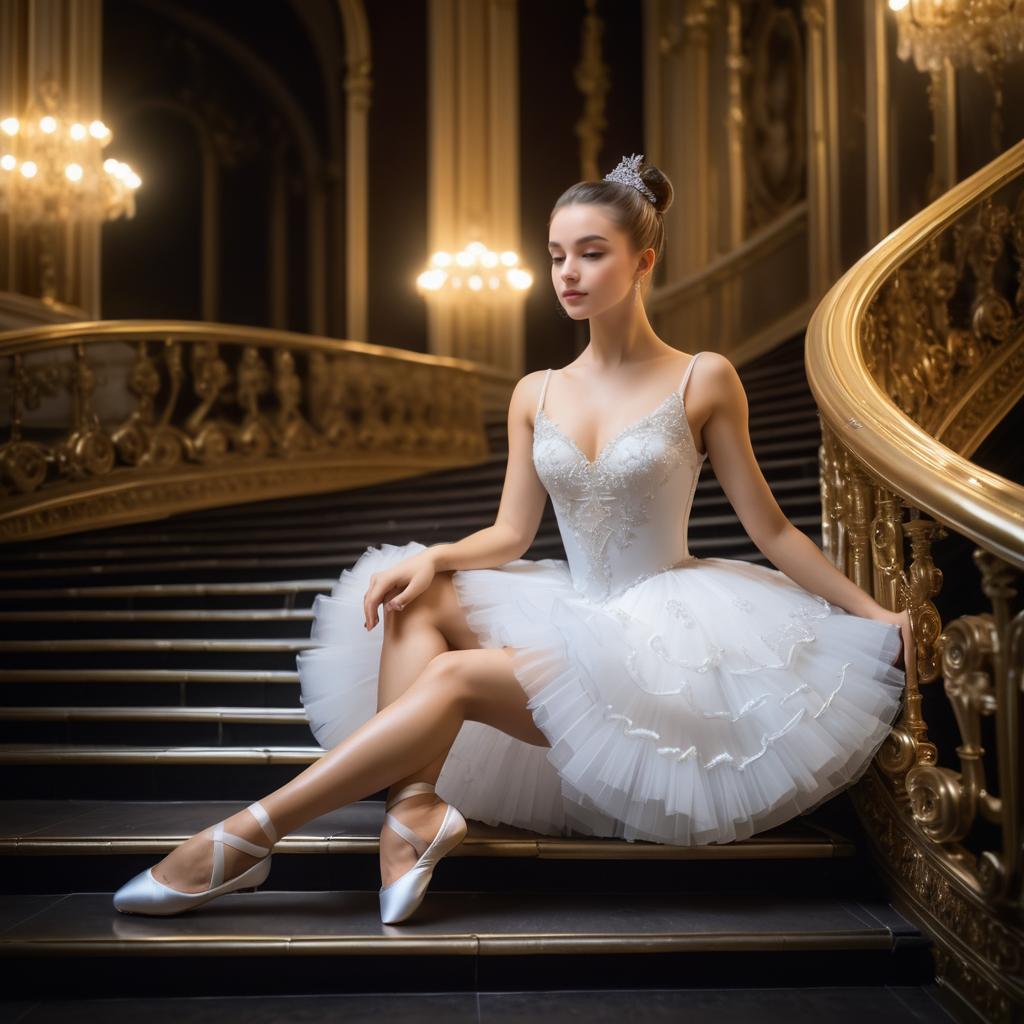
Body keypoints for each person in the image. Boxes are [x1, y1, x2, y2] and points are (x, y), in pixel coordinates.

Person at [113, 153, 914, 926]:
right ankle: (412, 813)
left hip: (663, 643)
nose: (568, 272)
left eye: (591, 253)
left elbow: (770, 527)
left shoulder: (703, 376)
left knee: (459, 676)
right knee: (415, 590)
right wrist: (433, 556)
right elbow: (511, 532)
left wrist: (876, 616)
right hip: (573, 606)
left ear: (645, 259)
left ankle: (246, 836)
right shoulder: (537, 391)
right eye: (558, 254)